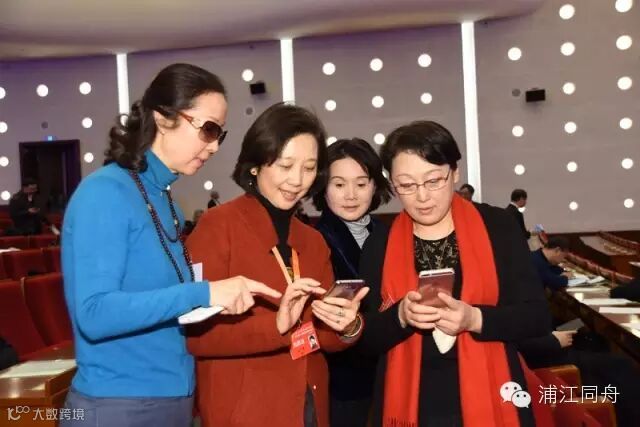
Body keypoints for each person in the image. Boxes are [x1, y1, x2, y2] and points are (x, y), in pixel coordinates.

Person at [60, 63, 281, 427]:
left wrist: (216, 301)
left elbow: (164, 303)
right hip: (117, 404)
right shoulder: (104, 193)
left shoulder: (165, 200)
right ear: (163, 119)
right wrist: (204, 294)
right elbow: (94, 314)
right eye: (208, 129)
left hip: (171, 399)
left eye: (220, 134)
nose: (214, 146)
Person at [356, 121, 552, 426]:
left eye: (434, 181)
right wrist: (400, 317)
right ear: (392, 184)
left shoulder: (498, 227)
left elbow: (537, 317)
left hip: (493, 393)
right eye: (406, 185)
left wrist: (475, 319)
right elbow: (365, 339)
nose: (422, 196)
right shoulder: (380, 244)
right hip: (412, 403)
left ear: (455, 173)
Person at [186, 102, 369, 427]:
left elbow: (319, 334)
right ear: (256, 165)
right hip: (245, 411)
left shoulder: (313, 240)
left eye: (309, 168)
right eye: (285, 166)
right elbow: (196, 336)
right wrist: (276, 325)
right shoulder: (217, 227)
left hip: (309, 402)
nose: (297, 180)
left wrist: (347, 325)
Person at [312, 137, 391, 427]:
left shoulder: (388, 233)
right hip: (341, 376)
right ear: (323, 187)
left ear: (375, 186)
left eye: (361, 183)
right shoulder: (313, 240)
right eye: (339, 184)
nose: (351, 195)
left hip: (390, 367)